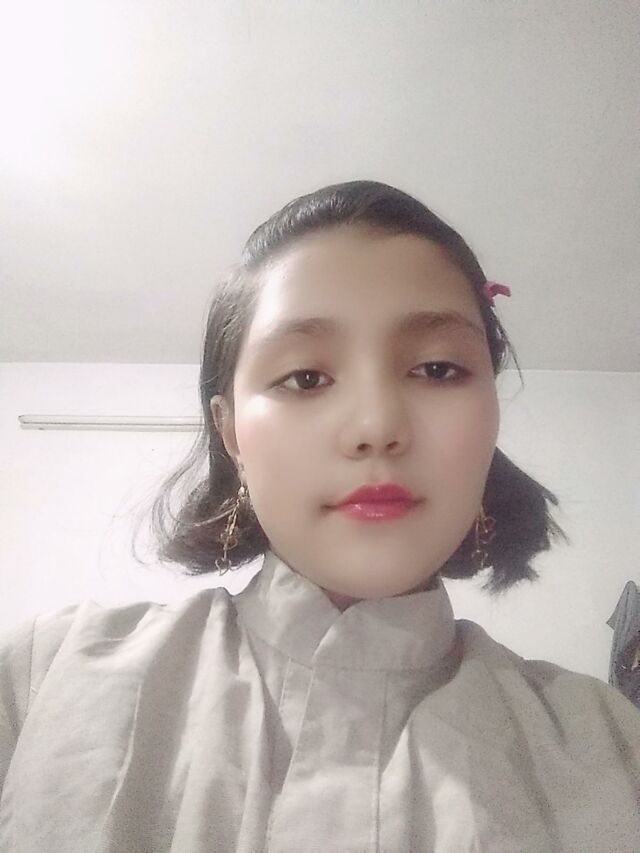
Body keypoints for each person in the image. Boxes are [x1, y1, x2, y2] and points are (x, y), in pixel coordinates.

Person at [1, 181, 638, 852]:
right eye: (306, 378)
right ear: (231, 433)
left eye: (437, 368)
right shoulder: (40, 681)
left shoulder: (610, 744)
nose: (376, 426)